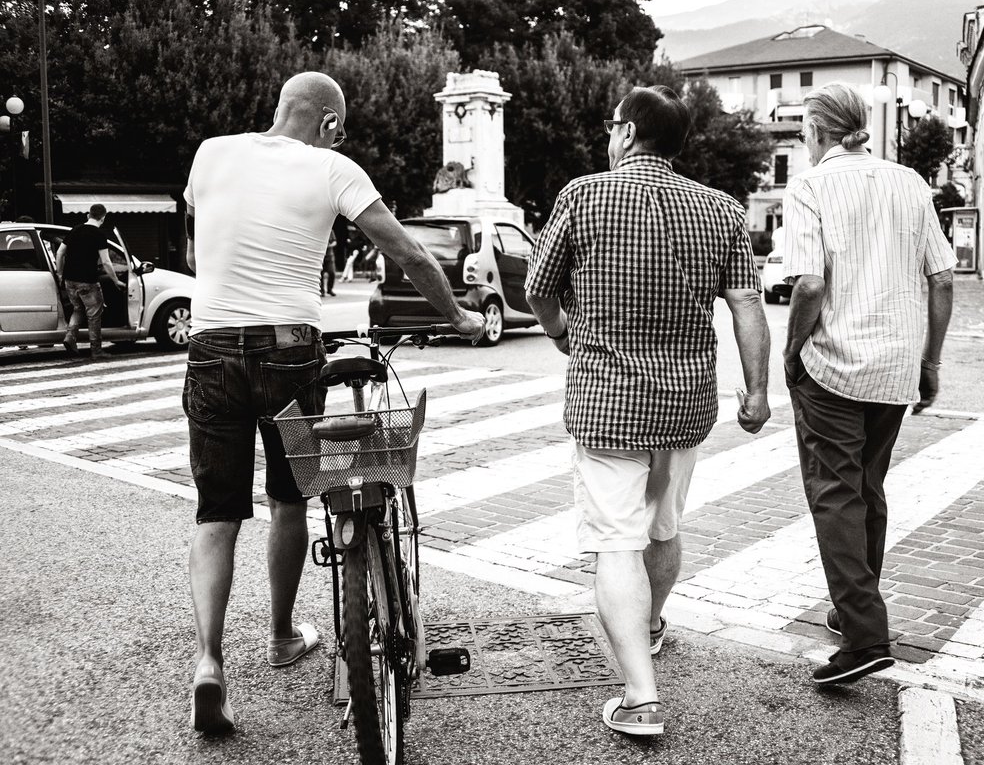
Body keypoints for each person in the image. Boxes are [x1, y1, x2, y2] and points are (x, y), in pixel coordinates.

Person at [182, 71, 485, 734]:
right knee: (289, 500)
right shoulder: (332, 167)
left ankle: (209, 662)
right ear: (327, 124)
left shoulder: (211, 153)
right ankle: (284, 633)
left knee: (216, 514)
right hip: (291, 350)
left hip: (210, 346)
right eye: (338, 127)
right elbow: (405, 251)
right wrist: (458, 316)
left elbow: (199, 242)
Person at [524, 85, 772, 737]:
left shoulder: (583, 195)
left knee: (614, 546)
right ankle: (652, 623)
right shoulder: (721, 210)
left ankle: (640, 696)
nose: (609, 137)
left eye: (612, 127)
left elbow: (537, 289)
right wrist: (756, 391)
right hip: (686, 405)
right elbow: (747, 304)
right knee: (662, 530)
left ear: (628, 133)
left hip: (608, 403)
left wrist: (560, 333)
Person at [780, 82, 955, 686]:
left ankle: (863, 636)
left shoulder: (809, 186)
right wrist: (930, 362)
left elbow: (808, 285)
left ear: (820, 132)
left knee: (835, 493)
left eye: (804, 130)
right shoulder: (909, 181)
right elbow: (942, 281)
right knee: (867, 488)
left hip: (834, 364)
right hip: (896, 367)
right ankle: (852, 610)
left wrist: (791, 350)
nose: (803, 141)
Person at [55, 203, 120, 359]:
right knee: (94, 315)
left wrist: (60, 274)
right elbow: (106, 262)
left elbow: (59, 253)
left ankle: (70, 337)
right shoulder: (99, 235)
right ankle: (96, 350)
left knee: (78, 309)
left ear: (88, 215)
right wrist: (116, 281)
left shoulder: (75, 230)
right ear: (103, 218)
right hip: (88, 281)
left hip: (70, 280)